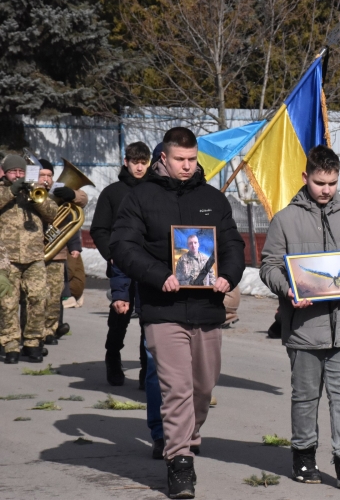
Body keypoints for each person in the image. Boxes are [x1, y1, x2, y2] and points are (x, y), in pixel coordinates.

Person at [110, 127, 245, 499]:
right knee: (176, 388)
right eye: (179, 160)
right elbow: (122, 246)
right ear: (163, 159)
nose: (187, 167)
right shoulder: (140, 198)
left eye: (192, 160)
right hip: (162, 308)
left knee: (203, 386)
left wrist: (228, 276)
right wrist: (159, 275)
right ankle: (180, 462)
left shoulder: (213, 199)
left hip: (206, 309)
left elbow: (232, 243)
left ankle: (189, 431)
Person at [261, 145, 340, 489]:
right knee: (306, 395)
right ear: (305, 177)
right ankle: (303, 455)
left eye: (332, 182)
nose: (326, 189)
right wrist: (289, 289)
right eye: (319, 182)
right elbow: (269, 266)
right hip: (304, 328)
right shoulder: (285, 219)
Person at [90, 142, 151, 388]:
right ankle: (113, 359)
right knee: (120, 317)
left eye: (143, 162)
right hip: (122, 266)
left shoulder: (154, 191)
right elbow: (99, 229)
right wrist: (111, 254)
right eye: (134, 161)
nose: (139, 166)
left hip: (149, 266)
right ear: (126, 162)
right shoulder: (112, 192)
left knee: (149, 319)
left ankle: (147, 370)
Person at [0, 154, 59, 364]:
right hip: (5, 258)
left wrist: (37, 200)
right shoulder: (2, 190)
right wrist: (10, 192)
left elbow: (53, 214)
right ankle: (10, 344)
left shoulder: (34, 190)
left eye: (20, 171)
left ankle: (33, 342)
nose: (17, 175)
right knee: (7, 303)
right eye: (13, 171)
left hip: (34, 256)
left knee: (38, 299)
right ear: (5, 173)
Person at [36, 158, 88, 344]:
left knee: (56, 293)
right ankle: (34, 332)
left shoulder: (57, 190)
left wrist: (71, 194)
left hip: (55, 251)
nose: (46, 179)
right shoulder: (32, 191)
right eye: (42, 175)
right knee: (36, 295)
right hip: (32, 251)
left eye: (49, 175)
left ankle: (51, 329)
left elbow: (82, 201)